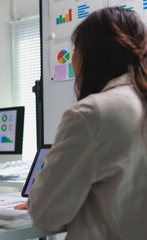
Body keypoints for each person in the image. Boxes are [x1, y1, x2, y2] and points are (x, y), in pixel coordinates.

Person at [15, 7, 147, 239]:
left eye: (75, 49)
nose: (73, 57)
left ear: (91, 54)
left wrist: (45, 192)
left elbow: (45, 213)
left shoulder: (91, 113)